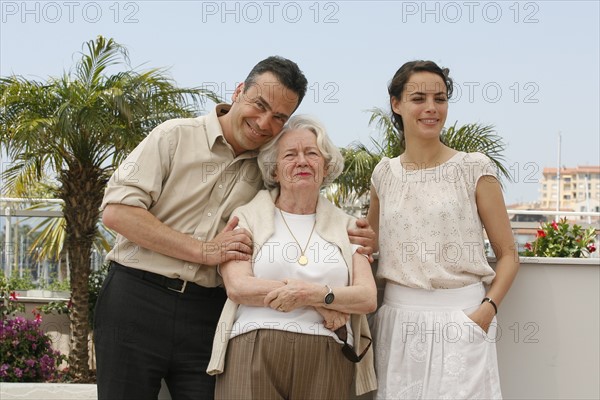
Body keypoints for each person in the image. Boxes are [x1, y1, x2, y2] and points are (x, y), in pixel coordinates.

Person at [367, 60, 519, 399]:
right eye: (418, 98)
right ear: (397, 104)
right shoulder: (384, 174)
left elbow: (508, 254)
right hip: (397, 323)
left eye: (440, 98)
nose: (431, 108)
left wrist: (485, 311)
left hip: (463, 319)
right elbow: (369, 244)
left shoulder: (473, 168)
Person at [207, 115, 378, 399]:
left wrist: (309, 293)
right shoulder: (247, 217)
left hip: (327, 354)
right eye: (290, 155)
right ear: (274, 171)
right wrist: (321, 301)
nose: (302, 161)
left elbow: (366, 297)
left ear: (326, 168)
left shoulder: (349, 227)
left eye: (312, 153)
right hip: (253, 346)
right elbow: (239, 287)